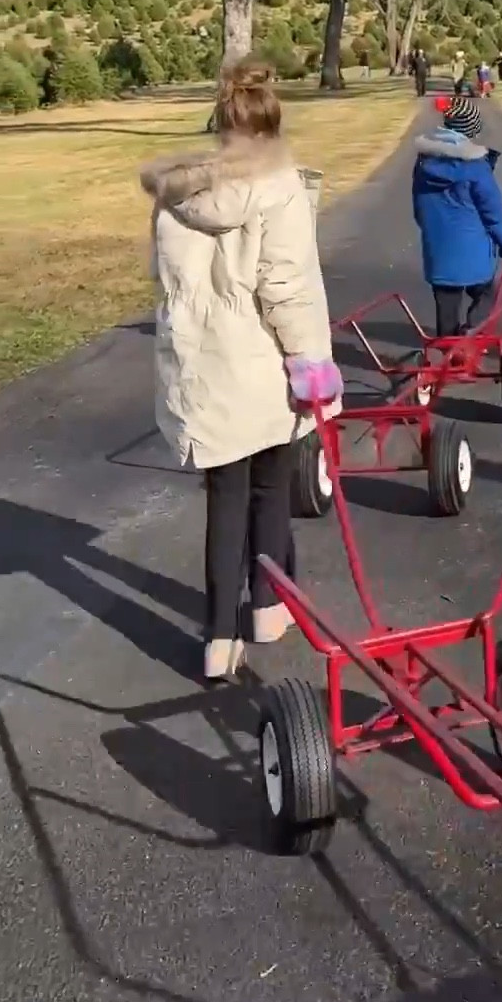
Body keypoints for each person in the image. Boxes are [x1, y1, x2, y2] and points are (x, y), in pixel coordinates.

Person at [141, 59, 343, 682]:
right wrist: (310, 360)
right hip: (263, 364)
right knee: (270, 488)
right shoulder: (278, 185)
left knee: (224, 501)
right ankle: (268, 606)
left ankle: (220, 637)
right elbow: (284, 286)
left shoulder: (180, 192)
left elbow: (167, 279)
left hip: (207, 365)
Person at [412, 96, 502, 339]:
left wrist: (430, 230)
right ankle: (473, 333)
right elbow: (493, 215)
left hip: (437, 250)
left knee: (446, 301)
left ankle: (447, 347)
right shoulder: (476, 167)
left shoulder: (423, 164)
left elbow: (419, 208)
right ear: (471, 129)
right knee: (486, 293)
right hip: (474, 252)